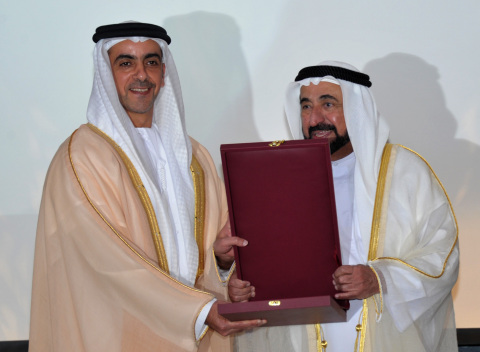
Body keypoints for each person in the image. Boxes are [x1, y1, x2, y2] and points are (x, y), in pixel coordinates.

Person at [29, 21, 264, 352]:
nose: (141, 74)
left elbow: (201, 258)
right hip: (117, 338)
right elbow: (106, 259)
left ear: (163, 73)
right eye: (125, 63)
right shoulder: (83, 155)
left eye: (151, 62)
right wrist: (195, 309)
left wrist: (221, 262)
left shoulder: (194, 157)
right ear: (105, 74)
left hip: (197, 338)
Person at [229, 61, 459, 351]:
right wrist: (240, 285)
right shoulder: (276, 179)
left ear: (356, 107)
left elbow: (444, 255)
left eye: (328, 104)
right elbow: (263, 265)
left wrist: (380, 279)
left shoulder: (405, 172)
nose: (315, 119)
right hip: (303, 338)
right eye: (306, 107)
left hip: (386, 335)